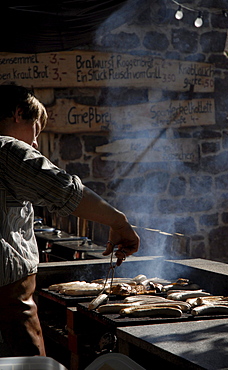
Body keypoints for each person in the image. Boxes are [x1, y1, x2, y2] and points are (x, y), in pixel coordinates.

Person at [0, 84, 140, 357]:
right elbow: (65, 190)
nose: (35, 143)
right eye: (36, 131)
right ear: (18, 114)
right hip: (7, 303)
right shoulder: (6, 149)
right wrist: (119, 222)